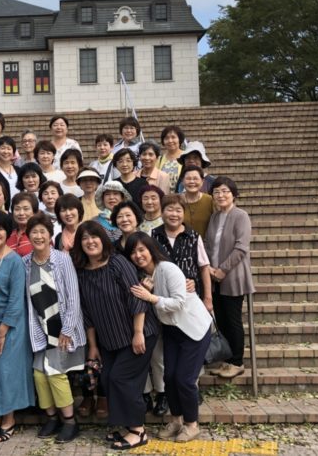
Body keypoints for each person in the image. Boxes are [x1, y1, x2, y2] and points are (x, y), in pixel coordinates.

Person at [70, 221, 157, 451]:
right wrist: (92, 346)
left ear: (103, 239)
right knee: (108, 379)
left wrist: (138, 333)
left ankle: (138, 431)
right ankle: (128, 426)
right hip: (109, 340)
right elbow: (86, 313)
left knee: (121, 379)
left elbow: (136, 297)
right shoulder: (82, 272)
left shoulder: (118, 263)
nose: (90, 241)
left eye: (94, 236)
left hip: (137, 334)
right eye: (85, 238)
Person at [127, 232, 212, 443]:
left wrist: (151, 297)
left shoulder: (168, 268)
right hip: (172, 330)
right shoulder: (144, 277)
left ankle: (191, 425)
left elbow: (179, 302)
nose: (138, 255)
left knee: (185, 379)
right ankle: (176, 421)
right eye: (133, 252)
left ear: (151, 249)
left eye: (141, 250)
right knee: (169, 378)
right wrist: (149, 293)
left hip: (194, 329)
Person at [23, 212, 84, 443]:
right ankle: (52, 418)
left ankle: (70, 421)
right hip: (40, 327)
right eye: (34, 232)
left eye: (43, 232)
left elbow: (73, 295)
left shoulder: (62, 259)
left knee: (56, 373)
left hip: (62, 328)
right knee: (39, 374)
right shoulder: (25, 262)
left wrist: (67, 329)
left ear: (50, 235)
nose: (38, 236)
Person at [0, 210, 35, 443]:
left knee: (6, 373)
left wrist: (2, 331)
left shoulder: (15, 261)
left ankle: (8, 419)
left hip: (10, 326)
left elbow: (16, 300)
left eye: (0, 229)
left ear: (7, 232)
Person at [205, 177, 255, 380]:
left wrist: (223, 270)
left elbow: (241, 248)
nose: (221, 195)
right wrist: (209, 268)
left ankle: (237, 362)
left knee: (233, 320)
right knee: (222, 319)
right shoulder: (214, 217)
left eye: (225, 191)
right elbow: (208, 245)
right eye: (216, 192)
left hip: (233, 276)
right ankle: (227, 360)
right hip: (214, 276)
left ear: (233, 194)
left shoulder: (241, 216)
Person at [152, 194, 213, 312]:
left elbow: (204, 268)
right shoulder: (153, 236)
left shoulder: (193, 237)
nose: (174, 214)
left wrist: (208, 298)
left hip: (190, 298)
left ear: (183, 214)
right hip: (163, 298)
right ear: (162, 212)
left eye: (178, 210)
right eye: (170, 210)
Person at [180, 166, 214, 237]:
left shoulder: (210, 200)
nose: (192, 182)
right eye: (188, 179)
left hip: (205, 243)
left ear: (202, 181)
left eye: (195, 179)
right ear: (182, 181)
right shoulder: (176, 200)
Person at [0, 136, 21, 201]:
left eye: (9, 149)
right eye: (3, 148)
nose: (6, 151)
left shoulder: (19, 170)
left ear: (13, 153)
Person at [7, 192, 37, 256]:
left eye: (26, 209)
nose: (21, 213)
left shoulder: (41, 234)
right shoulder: (9, 236)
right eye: (17, 209)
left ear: (34, 212)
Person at [157, 126, 185, 192]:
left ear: (179, 139)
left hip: (182, 196)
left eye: (173, 137)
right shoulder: (159, 160)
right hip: (163, 196)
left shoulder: (186, 157)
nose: (170, 141)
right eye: (166, 138)